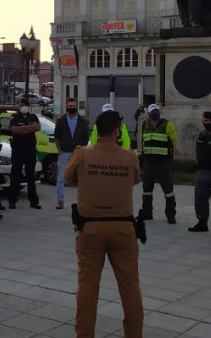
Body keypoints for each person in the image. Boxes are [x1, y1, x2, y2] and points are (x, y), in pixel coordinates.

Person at [64, 110, 143, 338]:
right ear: (118, 131)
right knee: (130, 287)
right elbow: (136, 179)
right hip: (123, 229)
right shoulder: (129, 156)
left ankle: (85, 334)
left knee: (87, 286)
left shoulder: (82, 154)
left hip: (90, 228)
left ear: (97, 130)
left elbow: (68, 179)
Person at [138, 104, 178, 224]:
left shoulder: (167, 124)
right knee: (147, 188)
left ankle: (171, 215)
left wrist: (169, 155)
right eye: (153, 111)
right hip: (149, 161)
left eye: (157, 111)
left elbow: (174, 140)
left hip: (163, 161)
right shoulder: (144, 125)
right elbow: (142, 140)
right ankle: (147, 212)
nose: (156, 113)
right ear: (149, 114)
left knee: (168, 189)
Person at [55, 97, 89, 210]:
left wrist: (82, 150)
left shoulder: (82, 121)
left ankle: (81, 201)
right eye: (70, 106)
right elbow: (57, 137)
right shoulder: (61, 121)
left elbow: (85, 137)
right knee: (61, 177)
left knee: (81, 177)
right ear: (66, 106)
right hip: (64, 152)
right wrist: (59, 151)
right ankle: (60, 200)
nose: (72, 108)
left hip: (78, 152)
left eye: (73, 106)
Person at [7, 98, 41, 209]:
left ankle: (34, 201)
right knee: (16, 175)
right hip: (18, 150)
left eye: (24, 105)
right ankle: (12, 200)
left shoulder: (33, 117)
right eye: (21, 105)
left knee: (31, 176)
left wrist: (23, 128)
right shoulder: (15, 117)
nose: (23, 107)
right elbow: (14, 130)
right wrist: (29, 128)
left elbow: (37, 127)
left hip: (30, 150)